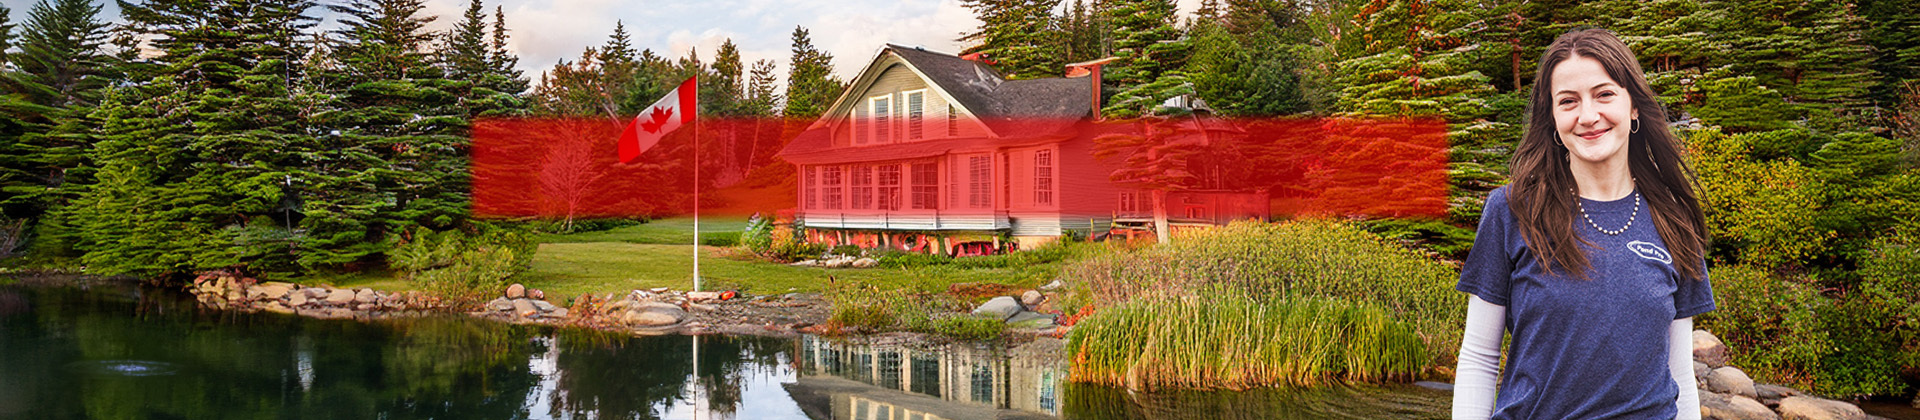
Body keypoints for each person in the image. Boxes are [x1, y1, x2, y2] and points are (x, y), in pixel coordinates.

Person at [1451, 28, 1716, 420]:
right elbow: (1479, 358)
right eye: (1568, 101)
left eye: (1604, 94)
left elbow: (1678, 373)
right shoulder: (1512, 210)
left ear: (1634, 106)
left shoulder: (1673, 217)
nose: (1588, 116)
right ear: (1553, 117)